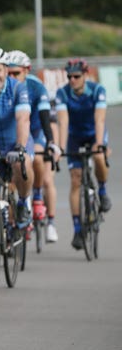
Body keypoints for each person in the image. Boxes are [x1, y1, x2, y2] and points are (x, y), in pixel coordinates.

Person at [55, 58, 111, 250]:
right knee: (76, 179)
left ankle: (102, 191)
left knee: (98, 156)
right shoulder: (62, 93)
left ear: (85, 75)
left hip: (94, 132)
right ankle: (78, 229)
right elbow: (62, 121)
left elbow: (100, 119)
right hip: (74, 137)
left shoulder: (97, 91)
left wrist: (99, 143)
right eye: (69, 76)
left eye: (76, 76)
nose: (72, 80)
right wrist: (61, 147)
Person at [7, 50, 62, 242]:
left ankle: (37, 197)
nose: (12, 77)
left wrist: (52, 143)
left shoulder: (36, 87)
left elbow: (47, 118)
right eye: (9, 73)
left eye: (16, 73)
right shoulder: (1, 86)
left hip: (36, 131)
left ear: (27, 71)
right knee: (11, 179)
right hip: (13, 132)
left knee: (37, 157)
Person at [0, 47, 34, 228]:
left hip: (15, 141)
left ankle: (24, 201)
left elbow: (23, 119)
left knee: (22, 162)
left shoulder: (18, 87)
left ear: (6, 70)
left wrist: (19, 146)